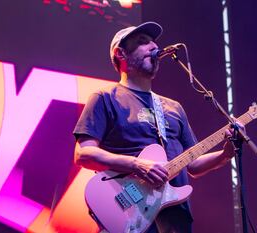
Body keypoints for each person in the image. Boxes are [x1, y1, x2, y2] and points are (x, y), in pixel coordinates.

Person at [73, 21, 238, 233]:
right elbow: (83, 154)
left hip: (175, 217)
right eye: (143, 42)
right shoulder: (105, 98)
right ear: (121, 54)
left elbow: (194, 165)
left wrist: (225, 153)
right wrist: (137, 165)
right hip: (127, 214)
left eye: (154, 42)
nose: (153, 47)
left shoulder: (173, 107)